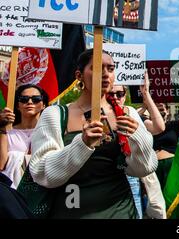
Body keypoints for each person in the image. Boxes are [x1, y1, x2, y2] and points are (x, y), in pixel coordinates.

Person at [29, 49, 157, 218]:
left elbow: (144, 168)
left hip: (120, 209)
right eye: (97, 68)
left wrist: (139, 138)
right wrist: (82, 144)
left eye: (110, 69)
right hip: (71, 209)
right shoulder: (55, 115)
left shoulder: (127, 113)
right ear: (79, 75)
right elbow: (41, 173)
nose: (105, 74)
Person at [109, 81, 165, 219]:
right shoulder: (98, 114)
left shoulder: (131, 112)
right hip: (107, 174)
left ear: (125, 94)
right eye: (111, 94)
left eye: (120, 94)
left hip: (131, 173)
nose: (116, 98)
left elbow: (159, 127)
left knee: (135, 214)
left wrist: (146, 95)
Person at [0, 84, 49, 188]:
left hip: (42, 191)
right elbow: (1, 165)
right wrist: (2, 129)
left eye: (36, 99)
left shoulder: (50, 133)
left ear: (44, 104)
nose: (30, 102)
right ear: (17, 105)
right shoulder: (6, 133)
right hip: (11, 192)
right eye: (24, 99)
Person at [149, 92, 179, 190]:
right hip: (153, 168)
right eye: (156, 109)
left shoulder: (174, 125)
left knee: (175, 196)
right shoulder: (146, 125)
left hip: (172, 166)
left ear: (167, 111)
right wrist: (146, 105)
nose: (159, 112)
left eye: (162, 109)